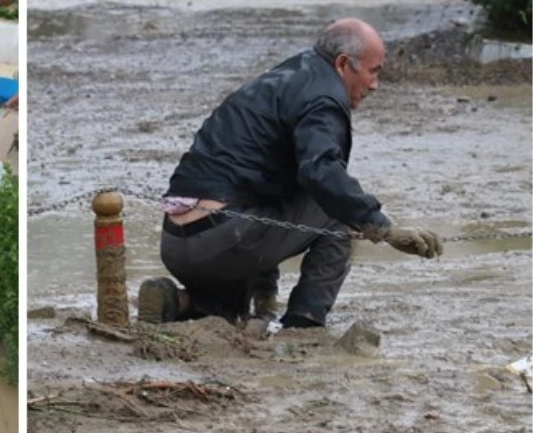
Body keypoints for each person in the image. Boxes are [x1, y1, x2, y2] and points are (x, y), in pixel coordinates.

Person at [140, 19, 444, 329]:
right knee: (337, 213)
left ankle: (177, 301)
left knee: (230, 316)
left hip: (177, 243)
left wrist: (265, 293)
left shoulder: (281, 79)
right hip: (223, 239)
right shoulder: (324, 98)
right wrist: (383, 229)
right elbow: (322, 175)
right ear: (343, 64)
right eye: (373, 71)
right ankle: (303, 324)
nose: (375, 85)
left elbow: (266, 183)